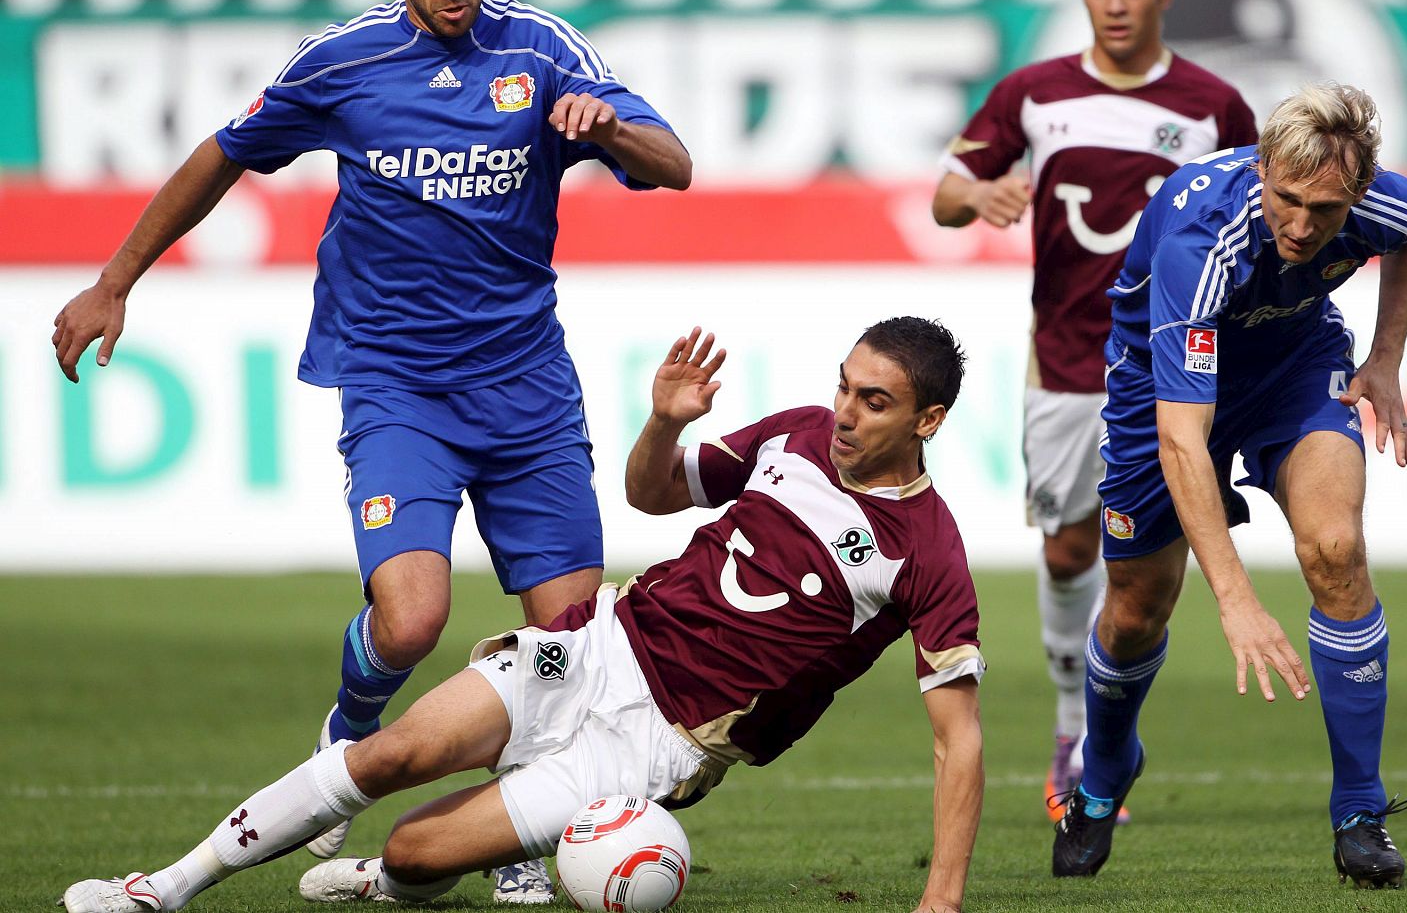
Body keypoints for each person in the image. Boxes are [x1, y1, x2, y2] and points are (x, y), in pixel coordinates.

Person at [49, 0, 691, 903]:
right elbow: (222, 152)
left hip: (528, 388)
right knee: (410, 621)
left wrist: (608, 123)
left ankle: (518, 837)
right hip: (398, 384)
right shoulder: (340, 65)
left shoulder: (544, 48)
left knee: (565, 642)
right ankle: (352, 724)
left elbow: (676, 163)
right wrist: (116, 279)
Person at [61, 319, 986, 913]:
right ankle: (164, 886)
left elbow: (960, 742)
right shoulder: (793, 434)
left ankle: (389, 880)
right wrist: (665, 421)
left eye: (875, 401)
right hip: (597, 644)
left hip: (659, 747)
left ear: (928, 420)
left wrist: (939, 902)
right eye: (843, 385)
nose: (846, 414)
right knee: (395, 755)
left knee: (419, 850)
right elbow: (656, 492)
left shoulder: (930, 555)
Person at [1050, 83, 1407, 888]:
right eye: (1286, 199)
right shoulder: (1204, 234)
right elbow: (1183, 439)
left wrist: (1386, 355)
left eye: (1325, 210)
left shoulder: (1382, 204)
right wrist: (1234, 597)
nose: (1301, 226)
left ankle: (1360, 810)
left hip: (1295, 370)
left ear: (1357, 192)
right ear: (1261, 168)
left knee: (1337, 549)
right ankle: (1104, 771)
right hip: (1161, 391)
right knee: (1133, 613)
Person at [932, 0, 1256, 823]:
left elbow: (1256, 220)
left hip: (1181, 364)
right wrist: (981, 190)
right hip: (1068, 362)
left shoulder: (1213, 107)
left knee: (1145, 568)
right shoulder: (1033, 91)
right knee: (1071, 545)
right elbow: (946, 193)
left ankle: (1107, 730)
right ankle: (1073, 722)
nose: (1115, 6)